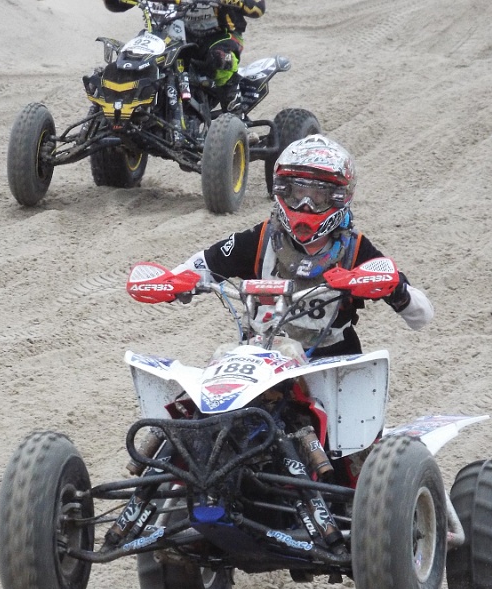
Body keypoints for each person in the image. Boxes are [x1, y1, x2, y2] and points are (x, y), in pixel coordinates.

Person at [171, 134, 434, 357]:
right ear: (283, 191)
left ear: (338, 198)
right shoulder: (259, 240)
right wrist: (173, 282)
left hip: (331, 363)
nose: (306, 205)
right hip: (263, 358)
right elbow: (202, 264)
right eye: (298, 193)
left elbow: (421, 316)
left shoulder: (355, 250)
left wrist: (397, 291)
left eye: (318, 195)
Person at [103, 0, 266, 112]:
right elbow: (115, 5)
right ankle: (121, 112)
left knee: (221, 59)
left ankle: (236, 114)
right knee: (130, 59)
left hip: (217, 36)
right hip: (163, 37)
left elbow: (257, 8)